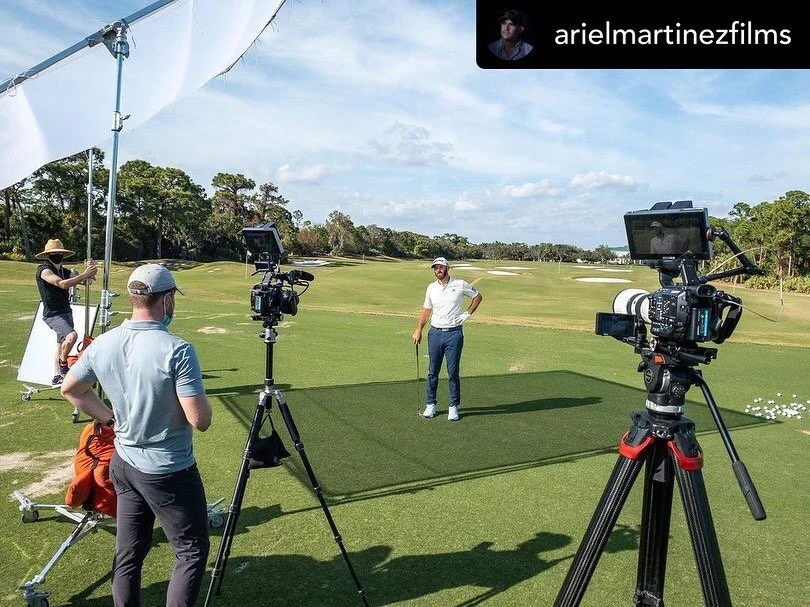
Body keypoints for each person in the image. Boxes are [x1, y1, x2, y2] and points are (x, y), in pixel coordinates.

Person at [61, 263, 212, 607]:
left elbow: (71, 389)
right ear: (167, 300)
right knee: (191, 551)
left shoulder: (104, 343)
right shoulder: (177, 349)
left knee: (129, 552)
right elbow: (200, 420)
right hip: (168, 471)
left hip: (124, 463)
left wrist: (109, 418)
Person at [412, 257, 482, 421]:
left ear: (447, 268)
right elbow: (426, 310)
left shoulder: (460, 284)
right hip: (435, 333)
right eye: (436, 267)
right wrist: (419, 329)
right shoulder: (431, 288)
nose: (439, 270)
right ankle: (430, 405)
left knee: (453, 371)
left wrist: (466, 314)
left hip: (454, 334)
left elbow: (477, 297)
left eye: (441, 267)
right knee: (433, 371)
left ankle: (453, 407)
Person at [34, 238, 98, 385]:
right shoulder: (44, 270)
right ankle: (63, 365)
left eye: (59, 253)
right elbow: (61, 284)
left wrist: (89, 270)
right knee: (71, 336)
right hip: (53, 314)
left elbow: (87, 282)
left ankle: (57, 376)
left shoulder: (64, 271)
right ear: (48, 255)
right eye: (54, 253)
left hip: (66, 311)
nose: (57, 256)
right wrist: (85, 274)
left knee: (61, 344)